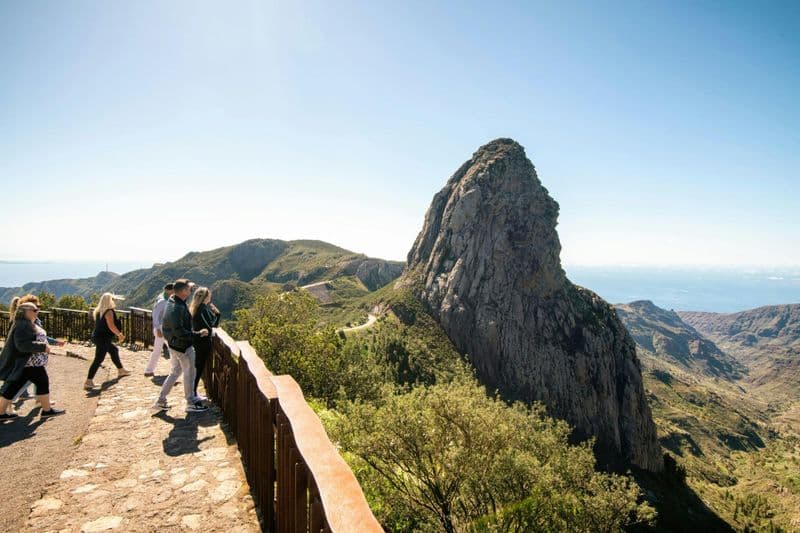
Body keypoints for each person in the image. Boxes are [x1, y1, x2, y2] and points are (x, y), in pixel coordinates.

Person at [153, 279, 209, 412]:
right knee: (190, 372)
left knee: (175, 372)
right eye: (189, 289)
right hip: (182, 346)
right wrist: (198, 334)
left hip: (173, 345)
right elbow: (180, 331)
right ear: (183, 291)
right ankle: (190, 402)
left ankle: (161, 400)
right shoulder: (177, 307)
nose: (191, 291)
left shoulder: (173, 301)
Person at [0, 303, 64, 419]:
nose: (37, 311)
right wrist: (42, 347)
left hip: (28, 362)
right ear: (25, 311)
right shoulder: (22, 325)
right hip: (30, 362)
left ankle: (1, 413)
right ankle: (46, 410)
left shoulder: (25, 323)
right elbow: (22, 345)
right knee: (43, 382)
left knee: (13, 387)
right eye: (34, 310)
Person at [85, 293, 130, 390]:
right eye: (113, 299)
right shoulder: (109, 311)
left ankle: (121, 370)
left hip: (99, 337)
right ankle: (88, 381)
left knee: (114, 350)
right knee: (98, 359)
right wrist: (120, 334)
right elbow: (111, 326)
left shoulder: (99, 311)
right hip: (103, 338)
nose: (115, 301)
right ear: (109, 301)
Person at [189, 287, 220, 401]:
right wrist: (217, 315)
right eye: (209, 295)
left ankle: (193, 393)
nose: (210, 297)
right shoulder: (202, 309)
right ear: (205, 297)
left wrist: (216, 314)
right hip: (202, 343)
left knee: (198, 368)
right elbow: (210, 326)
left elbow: (211, 325)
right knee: (198, 369)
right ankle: (192, 395)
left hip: (199, 342)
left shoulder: (199, 308)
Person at [145, 283, 174, 377]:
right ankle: (174, 371)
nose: (174, 292)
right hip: (161, 328)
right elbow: (155, 315)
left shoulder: (164, 298)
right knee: (172, 349)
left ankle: (149, 370)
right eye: (172, 290)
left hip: (163, 327)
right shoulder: (162, 301)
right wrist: (157, 328)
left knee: (157, 350)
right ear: (168, 290)